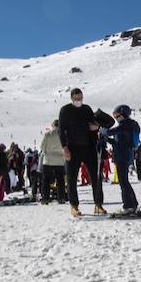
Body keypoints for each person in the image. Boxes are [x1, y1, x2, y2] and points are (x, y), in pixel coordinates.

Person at [58, 88, 111, 217]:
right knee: (71, 178)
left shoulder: (86, 109)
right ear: (71, 98)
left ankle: (98, 205)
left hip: (88, 147)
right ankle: (74, 206)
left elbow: (94, 123)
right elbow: (61, 130)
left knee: (96, 177)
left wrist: (96, 126)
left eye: (80, 98)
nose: (79, 100)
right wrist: (64, 148)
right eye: (76, 98)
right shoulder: (65, 110)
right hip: (72, 148)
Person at [109, 105, 141, 213]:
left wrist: (104, 131)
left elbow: (113, 132)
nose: (116, 118)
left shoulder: (126, 125)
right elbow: (119, 142)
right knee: (124, 181)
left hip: (123, 156)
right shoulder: (130, 125)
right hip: (124, 154)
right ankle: (133, 203)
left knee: (123, 181)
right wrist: (108, 139)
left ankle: (128, 205)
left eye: (117, 116)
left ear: (123, 114)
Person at [40, 120, 65, 204]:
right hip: (60, 160)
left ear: (53, 125)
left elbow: (42, 147)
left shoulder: (47, 134)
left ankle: (45, 198)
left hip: (48, 160)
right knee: (60, 180)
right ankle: (61, 198)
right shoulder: (63, 135)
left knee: (46, 180)